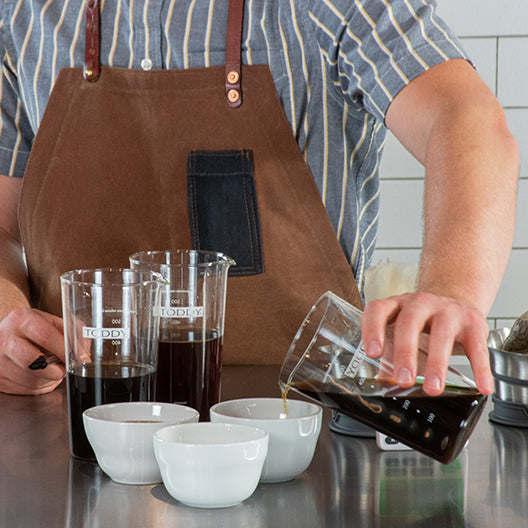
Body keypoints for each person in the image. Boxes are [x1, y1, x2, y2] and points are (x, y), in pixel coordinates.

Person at [0, 1, 518, 397]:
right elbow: (5, 230)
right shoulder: (23, 12)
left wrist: (452, 290)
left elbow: (464, 119)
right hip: (68, 431)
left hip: (299, 437)